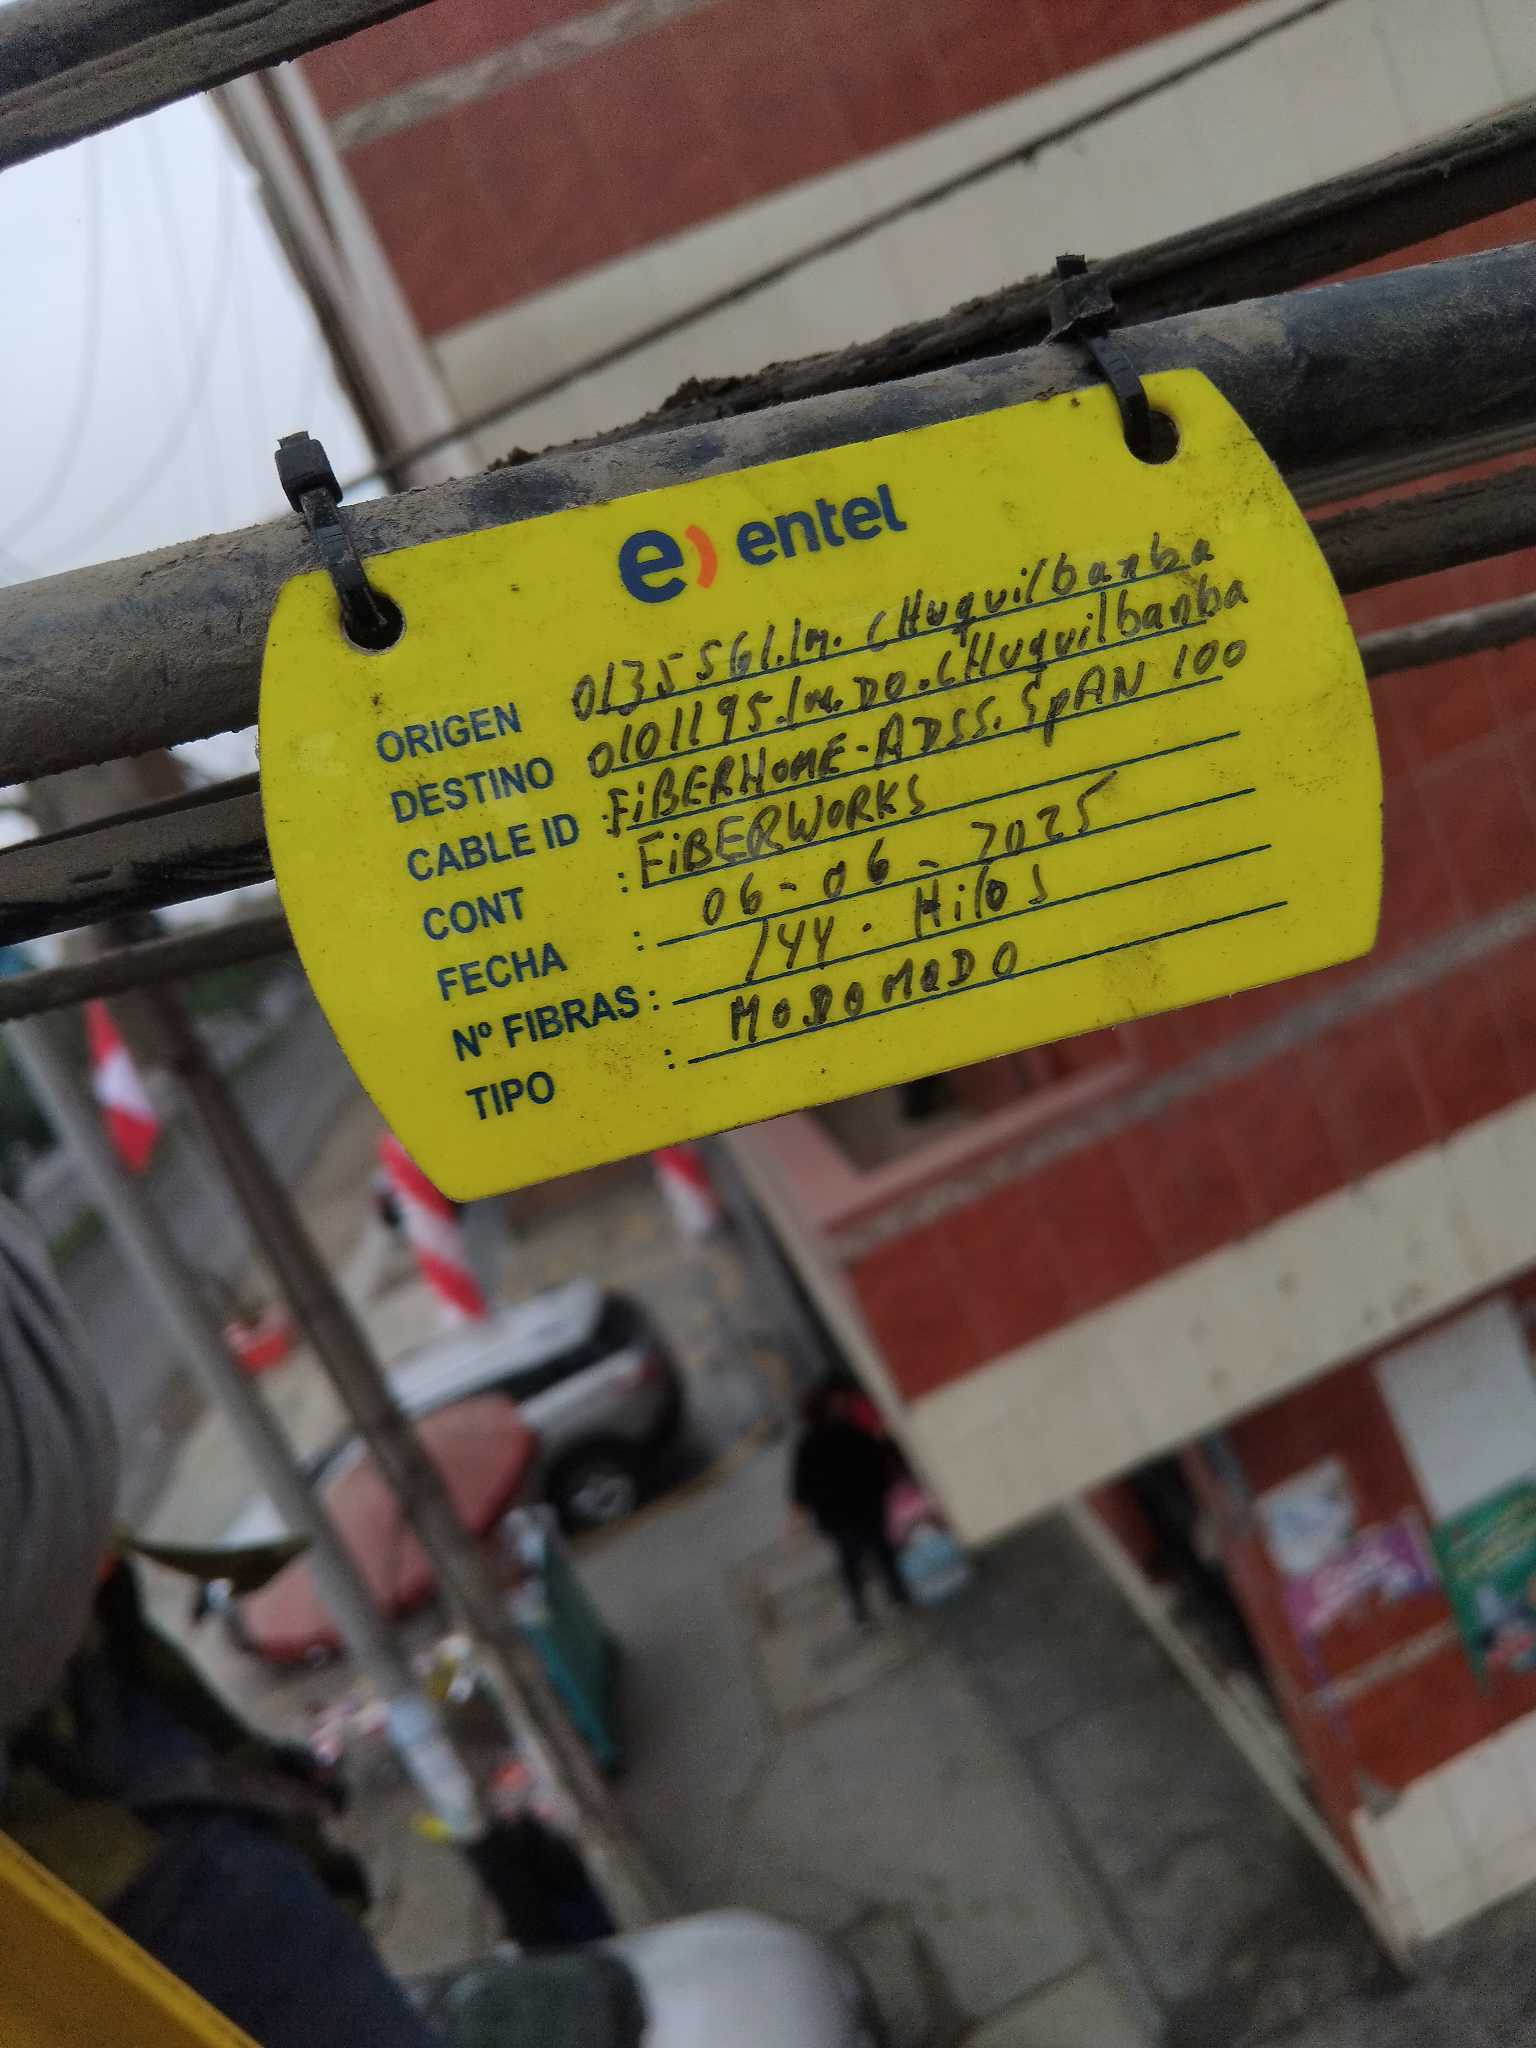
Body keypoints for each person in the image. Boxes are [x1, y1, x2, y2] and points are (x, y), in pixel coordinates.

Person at [789, 1387, 911, 1628]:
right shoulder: (848, 1431)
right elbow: (874, 1457)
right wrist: (885, 1486)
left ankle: (861, 1611)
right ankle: (897, 1594)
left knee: (849, 1563)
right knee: (883, 1552)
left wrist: (798, 1514)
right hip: (866, 1505)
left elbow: (801, 1486)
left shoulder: (806, 1446)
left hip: (835, 1516)